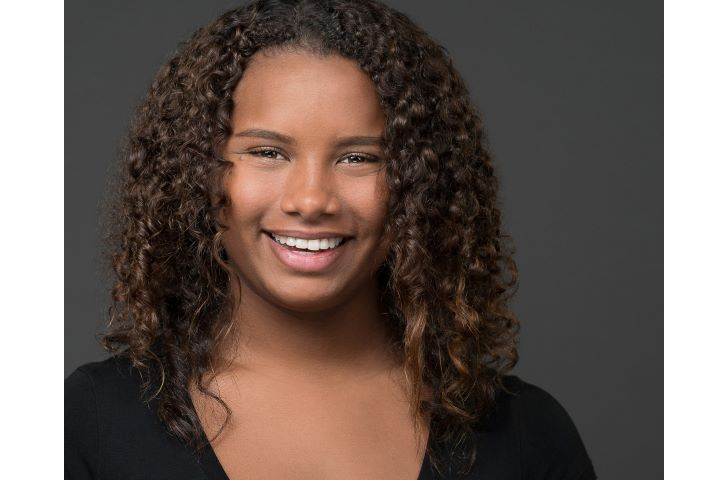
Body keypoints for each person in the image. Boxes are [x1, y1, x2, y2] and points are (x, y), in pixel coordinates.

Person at [65, 0, 597, 479]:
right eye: (268, 152)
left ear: (420, 184)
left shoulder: (527, 437)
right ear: (197, 173)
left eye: (359, 158)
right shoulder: (87, 424)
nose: (312, 198)